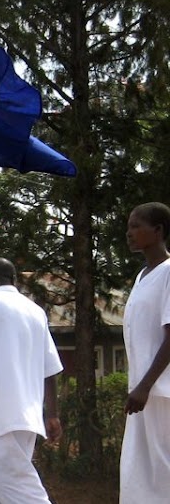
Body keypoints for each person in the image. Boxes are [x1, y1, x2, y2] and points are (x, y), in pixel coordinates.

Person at [0, 258, 62, 504]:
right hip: (27, 417)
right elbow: (49, 369)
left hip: (0, 413)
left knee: (12, 485)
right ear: (15, 280)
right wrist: (52, 415)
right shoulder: (36, 311)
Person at [120, 202, 170, 503]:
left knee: (160, 469)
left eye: (136, 225)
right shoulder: (143, 276)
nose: (129, 233)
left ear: (158, 230)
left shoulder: (168, 272)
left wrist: (145, 386)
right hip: (141, 393)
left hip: (160, 391)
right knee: (137, 471)